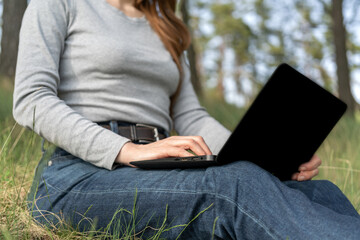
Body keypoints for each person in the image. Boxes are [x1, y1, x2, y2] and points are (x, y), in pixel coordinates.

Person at [13, 0, 360, 239]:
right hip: (79, 174)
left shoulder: (166, 27)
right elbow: (32, 99)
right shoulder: (58, 3)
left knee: (319, 192)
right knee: (232, 186)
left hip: (158, 168)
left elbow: (190, 115)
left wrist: (262, 159)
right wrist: (128, 150)